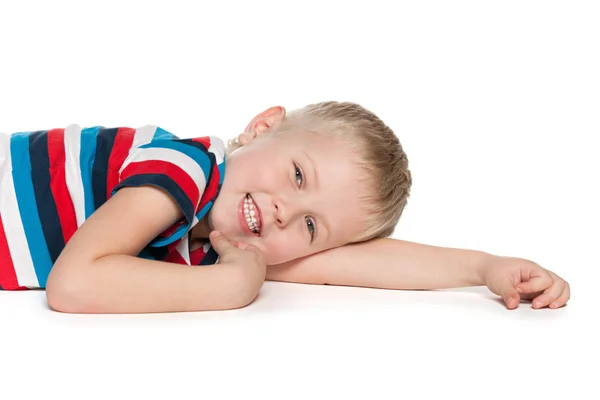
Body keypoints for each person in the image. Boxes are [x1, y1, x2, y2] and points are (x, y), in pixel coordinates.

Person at [0, 101, 570, 313]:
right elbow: (74, 284)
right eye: (298, 175)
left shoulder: (233, 244)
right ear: (261, 126)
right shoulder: (187, 166)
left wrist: (484, 268)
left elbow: (369, 263)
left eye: (312, 226)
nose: (283, 214)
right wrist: (231, 288)